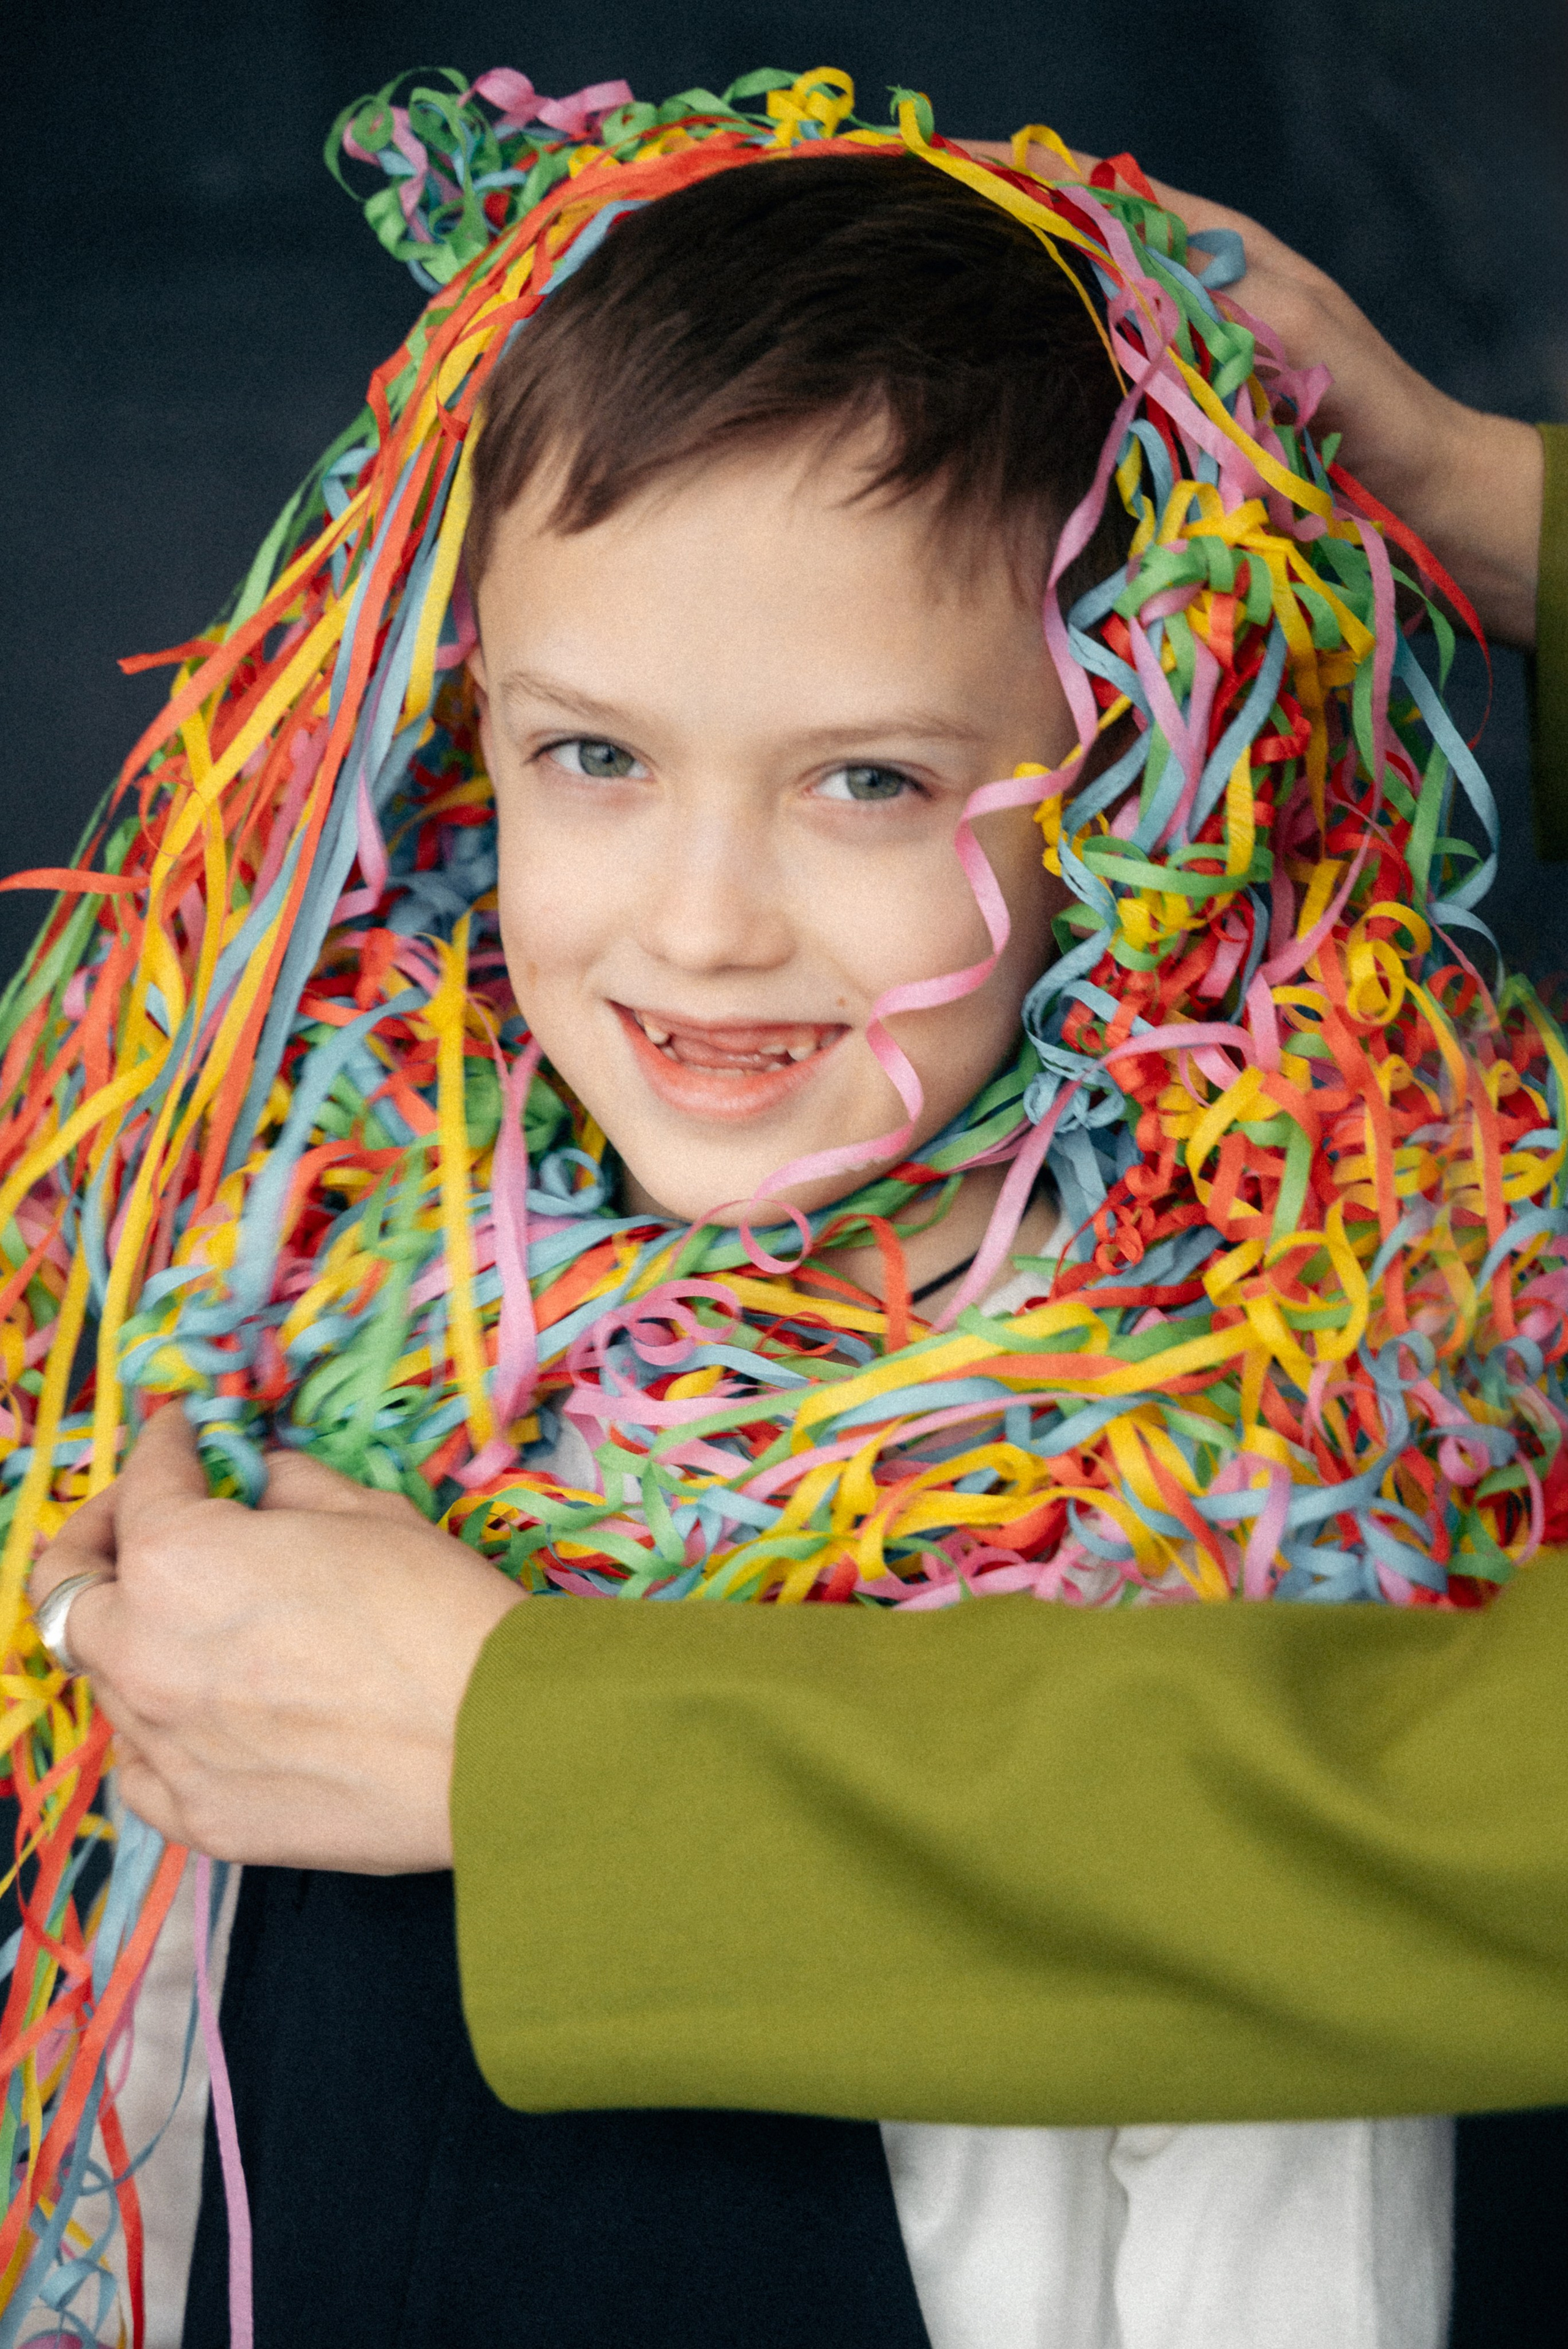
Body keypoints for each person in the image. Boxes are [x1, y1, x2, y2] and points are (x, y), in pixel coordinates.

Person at [9, 63, 1566, 2347]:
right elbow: (135, 2126)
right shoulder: (306, 1308)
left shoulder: (1244, 1492)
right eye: (595, 756)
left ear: (1137, 791)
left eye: (869, 781)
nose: (703, 923)